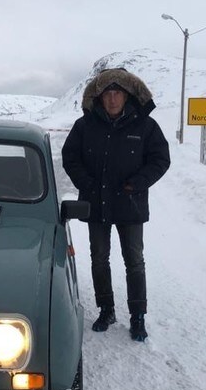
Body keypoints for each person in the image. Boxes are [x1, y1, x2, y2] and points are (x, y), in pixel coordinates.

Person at [62, 67, 170, 342]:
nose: (112, 99)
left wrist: (138, 182)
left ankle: (138, 316)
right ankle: (106, 309)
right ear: (99, 97)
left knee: (134, 261)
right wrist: (86, 184)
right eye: (108, 94)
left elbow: (160, 159)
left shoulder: (145, 126)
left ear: (127, 96)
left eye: (117, 94)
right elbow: (70, 156)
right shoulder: (84, 126)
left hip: (130, 205)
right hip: (95, 203)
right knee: (99, 259)